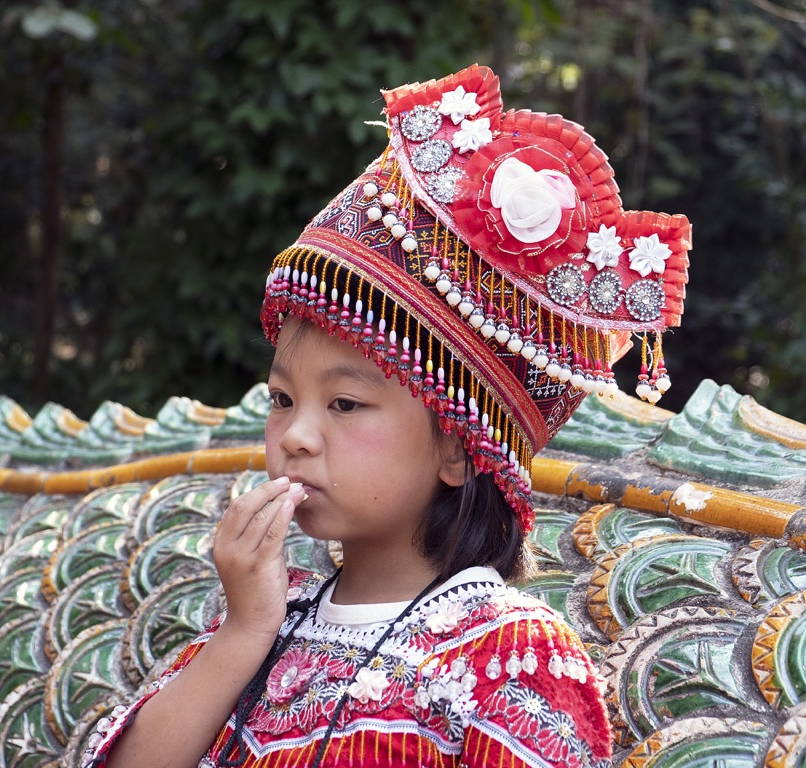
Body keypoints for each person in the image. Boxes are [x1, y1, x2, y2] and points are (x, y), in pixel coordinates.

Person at [81, 64, 691, 768]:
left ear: (459, 448)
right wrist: (245, 631)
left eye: (344, 404)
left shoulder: (510, 656)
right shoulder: (272, 614)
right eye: (281, 400)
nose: (295, 437)